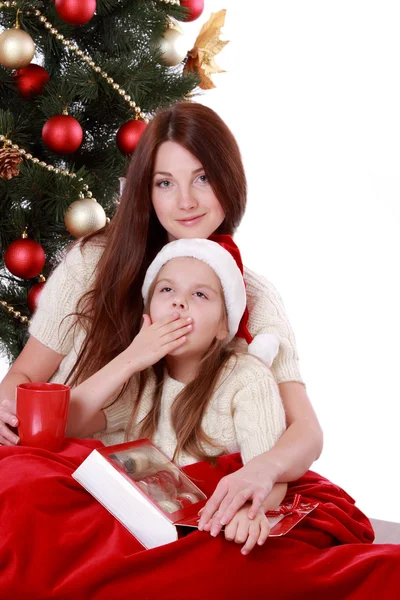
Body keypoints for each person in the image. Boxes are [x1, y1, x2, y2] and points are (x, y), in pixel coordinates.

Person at [0, 102, 322, 534]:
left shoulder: (253, 295)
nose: (186, 202)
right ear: (146, 192)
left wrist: (262, 470)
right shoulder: (95, 263)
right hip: (76, 461)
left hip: (190, 487)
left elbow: (305, 429)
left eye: (203, 178)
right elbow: (25, 375)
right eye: (165, 183)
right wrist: (6, 410)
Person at [66, 235, 288, 554]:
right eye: (167, 289)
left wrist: (246, 511)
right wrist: (130, 358)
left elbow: (269, 471)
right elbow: (68, 423)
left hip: (212, 523)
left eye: (199, 294)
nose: (178, 302)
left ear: (224, 325)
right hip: (144, 527)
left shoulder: (247, 377)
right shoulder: (140, 378)